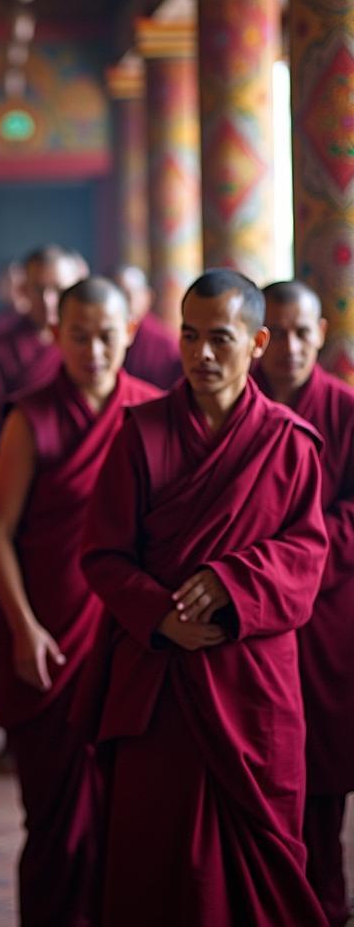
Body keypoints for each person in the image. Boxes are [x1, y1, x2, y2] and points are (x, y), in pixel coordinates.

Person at [82, 269, 329, 927]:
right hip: (161, 680)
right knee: (155, 861)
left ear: (257, 342)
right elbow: (102, 554)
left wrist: (233, 579)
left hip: (251, 690)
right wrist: (162, 618)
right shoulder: (140, 433)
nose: (202, 354)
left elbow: (307, 557)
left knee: (264, 861)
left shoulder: (289, 443)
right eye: (190, 336)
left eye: (221, 337)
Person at [0, 278, 162, 927]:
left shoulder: (152, 412)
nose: (93, 349)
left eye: (106, 335)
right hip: (50, 644)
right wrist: (25, 628)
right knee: (57, 827)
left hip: (125, 644)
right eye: (79, 335)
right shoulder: (31, 417)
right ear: (55, 335)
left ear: (131, 334)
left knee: (125, 824)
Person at [254, 280, 354, 927]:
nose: (290, 346)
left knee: (322, 769)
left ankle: (326, 904)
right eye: (278, 333)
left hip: (328, 613)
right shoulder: (239, 405)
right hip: (256, 613)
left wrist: (292, 556)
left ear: (321, 333)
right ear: (259, 340)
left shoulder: (346, 409)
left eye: (302, 332)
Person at [0, 244, 87, 469]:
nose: (48, 300)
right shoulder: (1, 347)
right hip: (18, 462)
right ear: (23, 290)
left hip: (81, 460)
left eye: (58, 289)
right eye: (39, 289)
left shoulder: (88, 343)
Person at [111, 264, 182, 389]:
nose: (120, 304)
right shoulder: (99, 337)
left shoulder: (166, 345)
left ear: (147, 297)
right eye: (116, 296)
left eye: (127, 296)